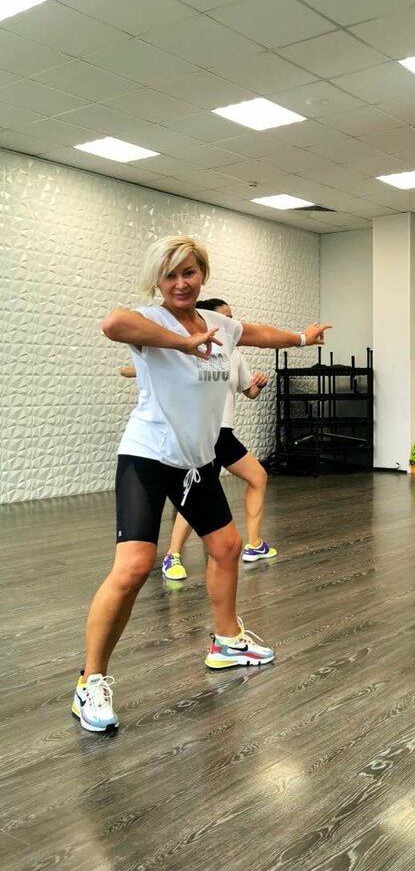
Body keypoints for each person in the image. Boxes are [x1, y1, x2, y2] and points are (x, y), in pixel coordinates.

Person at [72, 235, 330, 733]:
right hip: (148, 455)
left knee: (228, 547)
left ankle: (227, 642)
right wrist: (182, 343)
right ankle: (90, 680)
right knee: (134, 566)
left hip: (195, 461)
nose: (180, 283)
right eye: (170, 275)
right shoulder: (150, 321)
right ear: (158, 281)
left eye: (188, 272)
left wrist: (302, 338)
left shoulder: (220, 324)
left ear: (202, 274)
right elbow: (111, 323)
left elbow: (256, 333)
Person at [161, 298, 276, 582]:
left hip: (223, 433)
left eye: (232, 317)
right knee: (196, 496)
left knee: (257, 477)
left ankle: (254, 544)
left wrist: (258, 385)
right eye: (225, 317)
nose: (231, 322)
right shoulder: (192, 350)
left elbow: (248, 391)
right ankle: (172, 555)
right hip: (202, 431)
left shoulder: (235, 354)